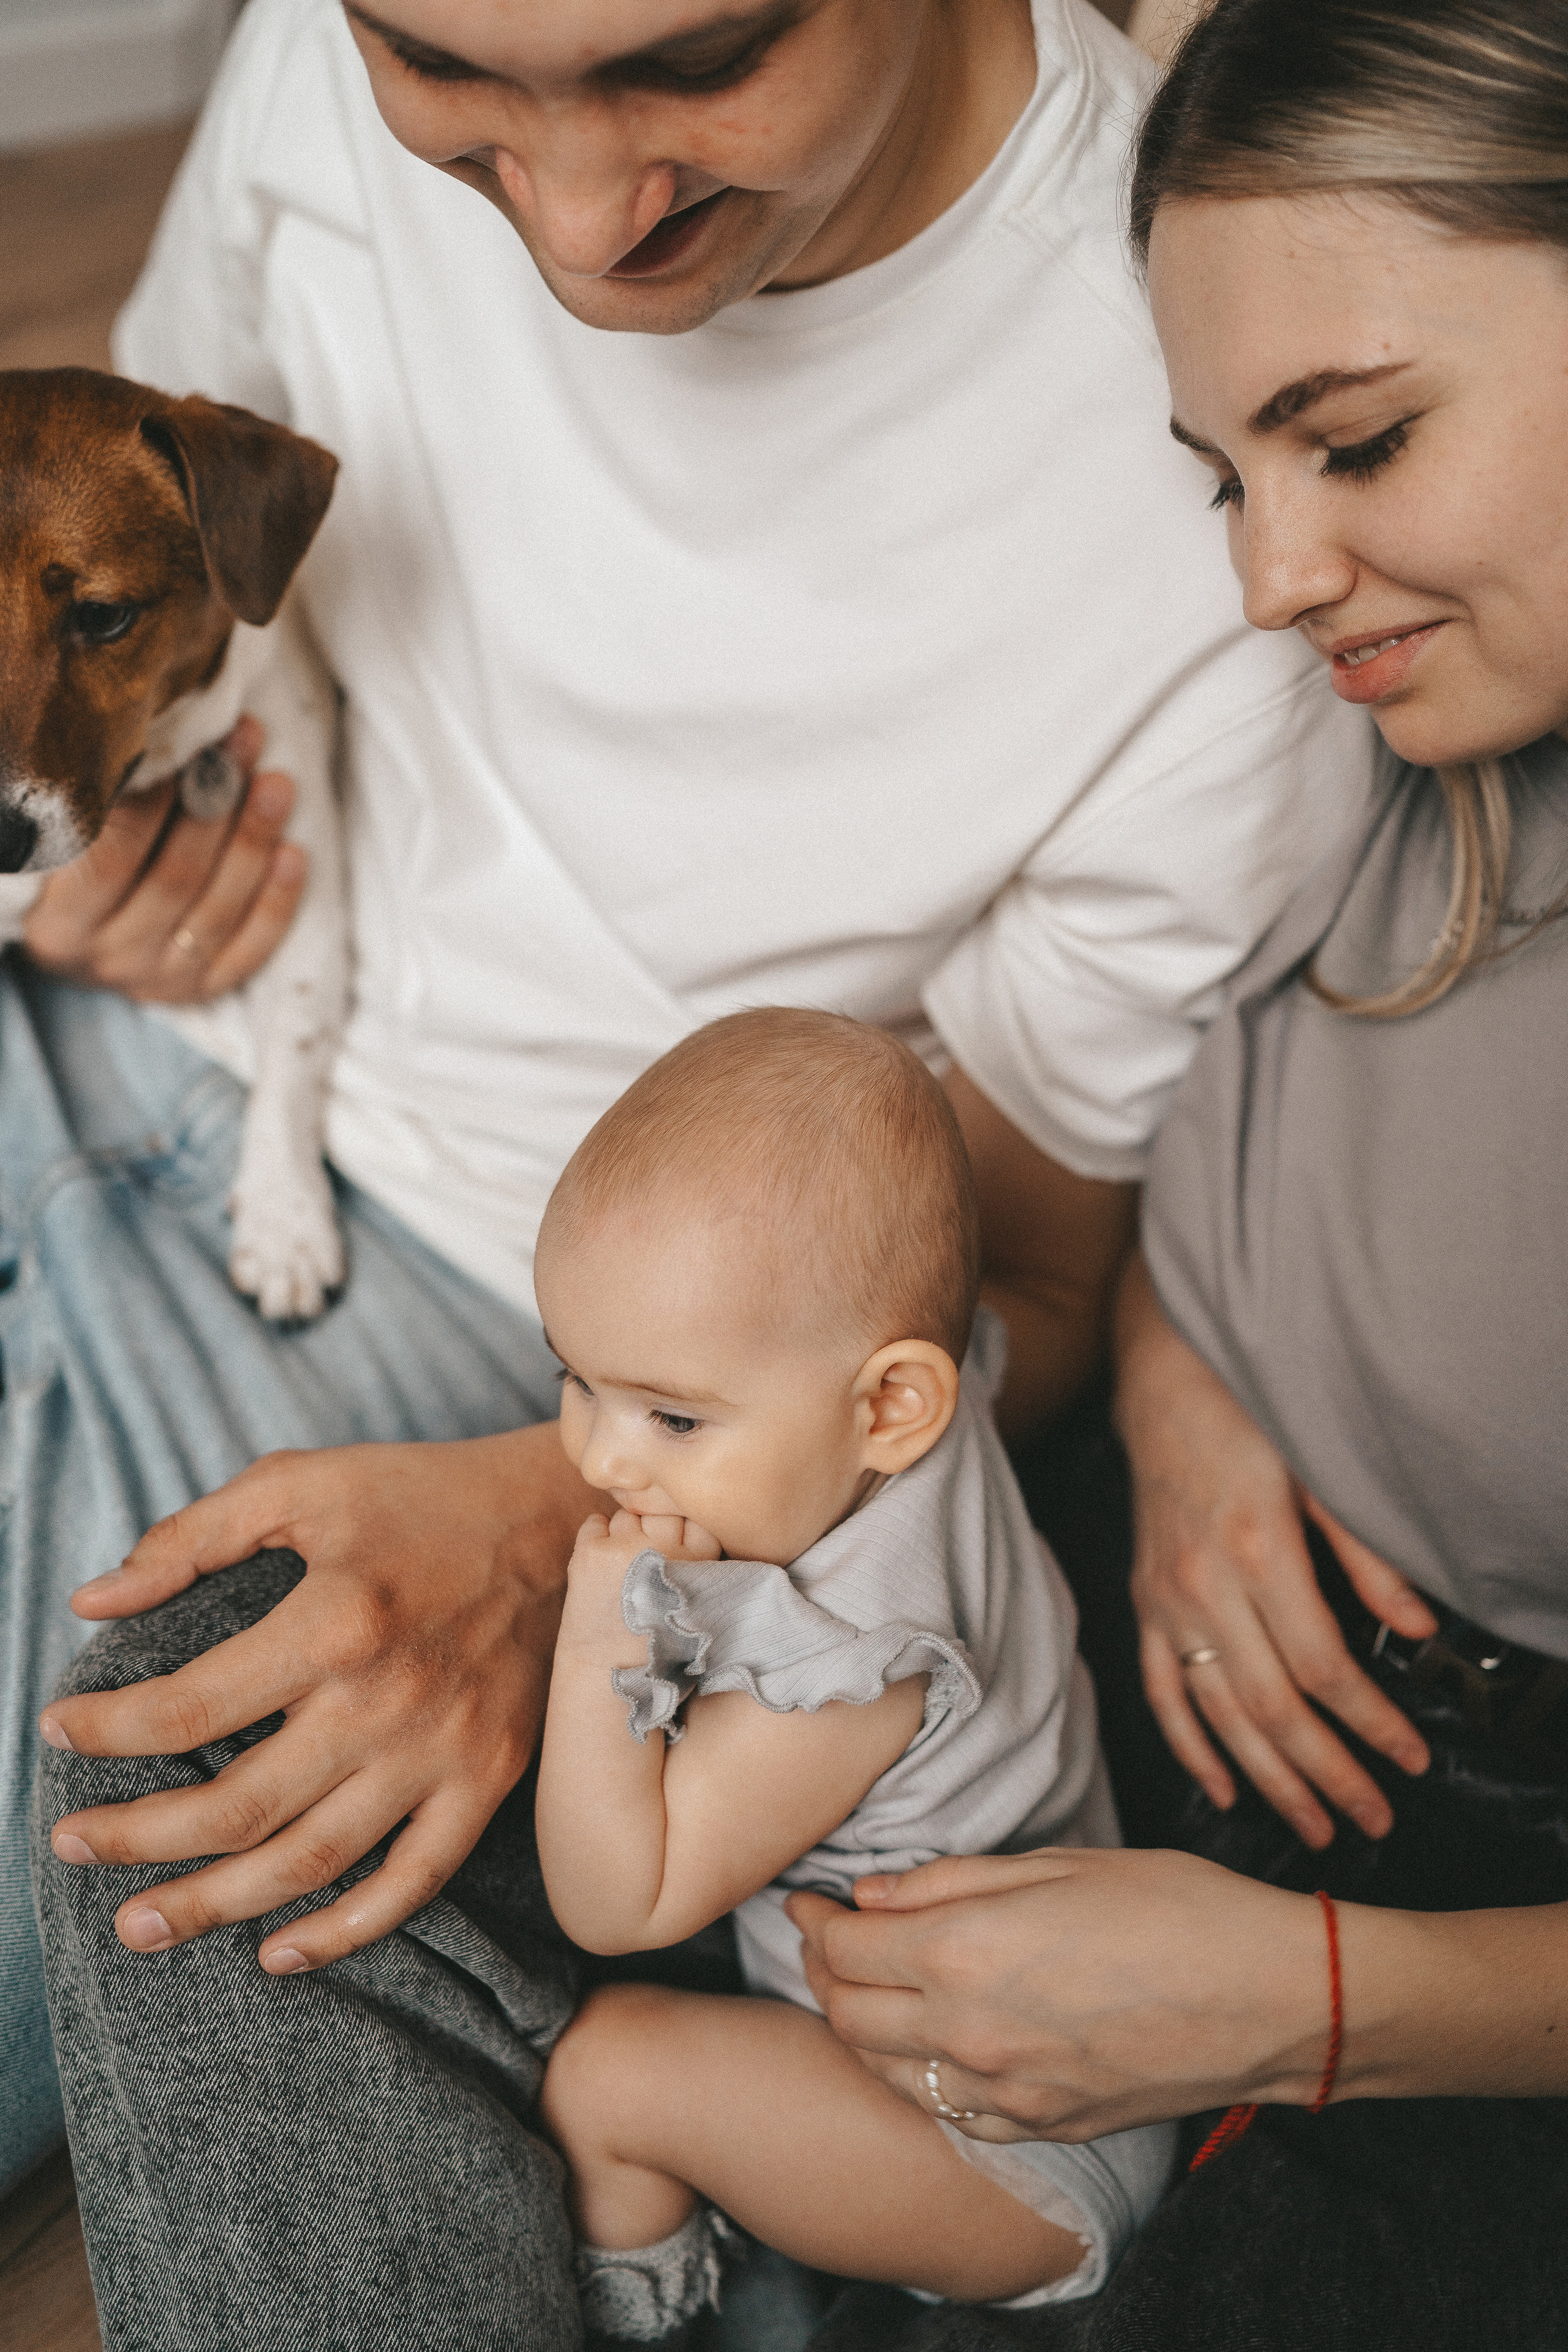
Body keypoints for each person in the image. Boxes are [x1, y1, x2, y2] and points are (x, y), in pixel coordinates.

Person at [17, 0, 1367, 2333]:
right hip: (117, 1022)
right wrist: (123, 866)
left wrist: (572, 1509)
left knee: (160, 1811)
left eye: (694, 65)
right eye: (447, 76)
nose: (565, 212)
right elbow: (139, 543)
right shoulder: (323, 66)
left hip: (497, 1338)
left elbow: (995, 1302)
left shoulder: (1221, 461)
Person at [787, 4, 1568, 2345]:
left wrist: (1317, 2002)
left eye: (1355, 442)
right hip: (1120, 1570)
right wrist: (1181, 1389)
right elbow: (1226, 1156)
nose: (1267, 579)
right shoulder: (1438, 731)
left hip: (1451, 1921)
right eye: (1226, 475)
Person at [530, 1009, 1173, 2338]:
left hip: (1006, 2144)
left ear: (889, 1403)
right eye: (574, 1381)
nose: (600, 1458)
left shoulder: (855, 1660)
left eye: (671, 1416)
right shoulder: (904, 1415)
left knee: (607, 2076)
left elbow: (618, 1897)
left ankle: (689, 2317)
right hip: (935, 2052)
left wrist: (598, 1638)